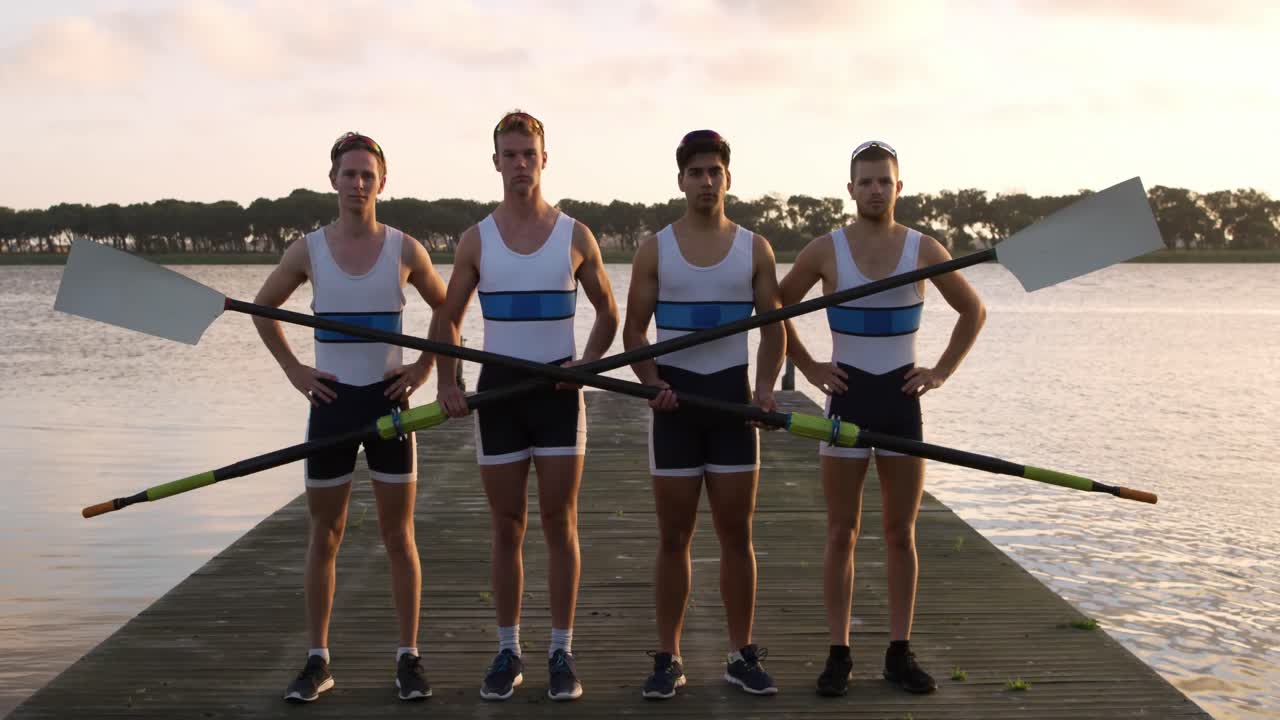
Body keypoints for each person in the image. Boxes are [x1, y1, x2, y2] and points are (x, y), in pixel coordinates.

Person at [778, 140, 986, 696]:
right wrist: (809, 364)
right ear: (850, 189)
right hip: (845, 400)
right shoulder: (825, 250)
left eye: (883, 181)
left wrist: (940, 371)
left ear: (899, 186)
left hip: (901, 405)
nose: (874, 190)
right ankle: (839, 653)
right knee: (842, 533)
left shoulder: (923, 249)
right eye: (864, 182)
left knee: (900, 533)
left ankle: (899, 652)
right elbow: (774, 310)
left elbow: (974, 309)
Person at [252, 132, 447, 702]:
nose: (358, 183)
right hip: (332, 408)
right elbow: (264, 312)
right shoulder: (307, 250)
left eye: (368, 174)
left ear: (382, 183)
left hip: (389, 408)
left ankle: (408, 657)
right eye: (349, 173)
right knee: (326, 534)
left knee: (397, 535)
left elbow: (447, 309)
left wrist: (423, 368)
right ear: (333, 180)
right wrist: (295, 372)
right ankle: (318, 660)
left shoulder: (406, 249)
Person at [431, 110, 619, 702]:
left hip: (559, 394)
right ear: (495, 163)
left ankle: (561, 650)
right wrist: (448, 382)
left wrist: (585, 364)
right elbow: (448, 319)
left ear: (544, 159)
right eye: (508, 155)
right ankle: (509, 649)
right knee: (508, 525)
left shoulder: (575, 236)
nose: (519, 165)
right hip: (500, 395)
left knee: (560, 523)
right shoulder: (476, 239)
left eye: (527, 154)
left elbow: (609, 313)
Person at [622, 129, 785, 699]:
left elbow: (774, 329)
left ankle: (741, 654)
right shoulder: (655, 248)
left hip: (733, 406)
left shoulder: (754, 248)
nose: (707, 182)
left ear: (728, 179)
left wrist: (765, 390)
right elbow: (634, 332)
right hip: (677, 408)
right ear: (681, 180)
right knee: (674, 537)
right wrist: (652, 383)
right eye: (696, 172)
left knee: (737, 535)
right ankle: (668, 657)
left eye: (715, 171)